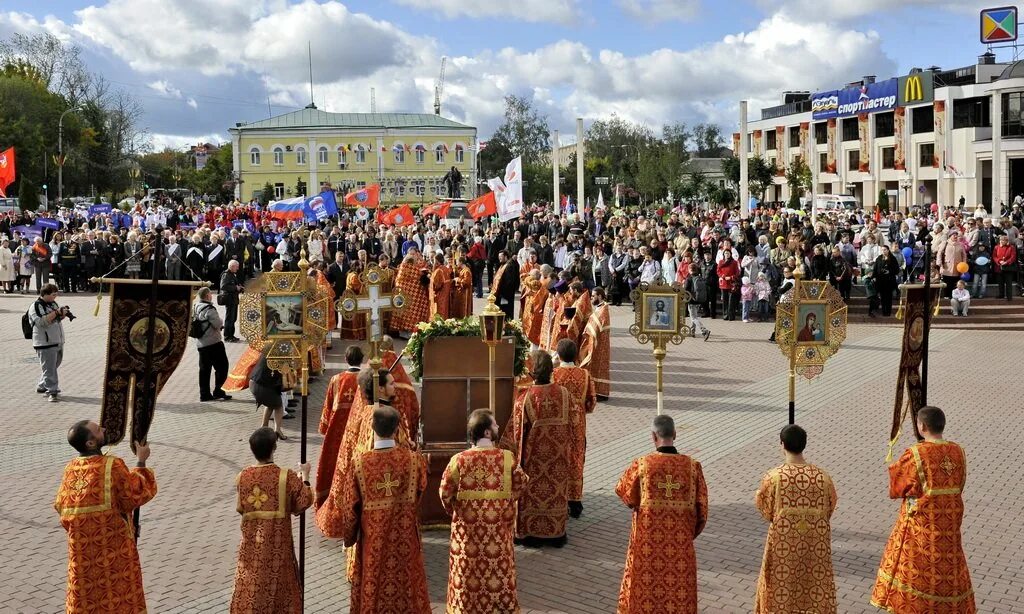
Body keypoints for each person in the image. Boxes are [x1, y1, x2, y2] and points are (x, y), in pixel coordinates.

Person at [871, 406, 975, 613]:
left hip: (921, 526)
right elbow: (959, 484)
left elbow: (898, 486)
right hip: (949, 528)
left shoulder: (916, 453)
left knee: (916, 569)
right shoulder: (958, 451)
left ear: (922, 426)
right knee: (948, 567)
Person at [55, 420, 156, 614]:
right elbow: (132, 496)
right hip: (114, 551)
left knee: (88, 600)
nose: (103, 429)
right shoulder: (112, 465)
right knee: (120, 597)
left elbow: (61, 507)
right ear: (91, 443)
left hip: (82, 553)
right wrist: (141, 461)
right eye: (97, 431)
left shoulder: (70, 469)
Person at [340, 404, 431, 614]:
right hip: (405, 538)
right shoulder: (413, 459)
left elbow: (349, 507)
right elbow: (421, 489)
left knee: (375, 583)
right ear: (397, 428)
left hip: (373, 541)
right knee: (407, 584)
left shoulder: (360, 463)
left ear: (372, 427)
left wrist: (349, 539)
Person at [616, 414, 707, 614]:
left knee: (645, 594)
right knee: (678, 595)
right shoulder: (693, 467)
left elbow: (624, 493)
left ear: (653, 436)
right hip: (681, 548)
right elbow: (702, 513)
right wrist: (687, 534)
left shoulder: (642, 464)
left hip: (646, 547)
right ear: (675, 434)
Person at [440, 409, 529, 614]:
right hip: (498, 537)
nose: (499, 427)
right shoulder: (507, 459)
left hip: (466, 539)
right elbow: (522, 483)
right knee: (499, 576)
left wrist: (458, 511)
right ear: (487, 433)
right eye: (495, 425)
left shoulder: (458, 461)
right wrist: (506, 504)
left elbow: (445, 493)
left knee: (466, 578)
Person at [754, 424, 837, 614]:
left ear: (782, 444)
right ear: (804, 445)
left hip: (782, 548)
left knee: (781, 589)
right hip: (815, 547)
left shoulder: (773, 477)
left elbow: (767, 512)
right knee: (814, 589)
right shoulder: (823, 478)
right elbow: (830, 508)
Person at [230, 428, 312, 614]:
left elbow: (241, 509)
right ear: (274, 448)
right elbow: (303, 501)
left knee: (252, 585)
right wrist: (305, 477)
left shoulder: (243, 477)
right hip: (278, 547)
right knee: (280, 589)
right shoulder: (285, 476)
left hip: (251, 547)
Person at [499, 351, 573, 547]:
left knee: (532, 494)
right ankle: (555, 533)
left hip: (533, 461)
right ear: (551, 370)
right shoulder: (565, 394)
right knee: (554, 493)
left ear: (533, 371)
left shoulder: (525, 398)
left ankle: (530, 533)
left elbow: (514, 434)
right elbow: (573, 426)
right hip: (559, 459)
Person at [554, 339, 597, 519]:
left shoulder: (553, 374)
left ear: (559, 355)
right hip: (578, 424)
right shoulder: (585, 375)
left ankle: (560, 497)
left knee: (559, 459)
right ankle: (575, 502)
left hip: (559, 424)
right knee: (577, 459)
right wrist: (581, 409)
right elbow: (592, 402)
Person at [315, 345, 364, 506]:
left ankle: (335, 495)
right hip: (359, 429)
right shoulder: (366, 379)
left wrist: (324, 427)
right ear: (362, 360)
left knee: (336, 462)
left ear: (345, 359)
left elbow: (328, 405)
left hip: (337, 430)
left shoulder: (336, 379)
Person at [29, 283, 68, 402]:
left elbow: (55, 319)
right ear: (45, 294)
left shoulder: (52, 303)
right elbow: (41, 322)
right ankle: (52, 391)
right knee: (49, 368)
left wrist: (62, 314)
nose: (55, 297)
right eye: (53, 295)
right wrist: (56, 313)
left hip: (57, 340)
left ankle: (42, 385)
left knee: (52, 366)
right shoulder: (36, 306)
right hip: (44, 343)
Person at [194, 286, 231, 402]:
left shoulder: (195, 307)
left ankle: (204, 394)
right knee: (222, 367)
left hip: (201, 343)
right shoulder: (209, 309)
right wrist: (221, 323)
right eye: (210, 294)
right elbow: (218, 323)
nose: (211, 296)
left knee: (204, 370)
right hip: (213, 342)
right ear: (207, 296)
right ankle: (218, 390)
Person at [579, 287, 612, 400]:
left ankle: (601, 393)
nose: (591, 298)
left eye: (593, 296)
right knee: (594, 367)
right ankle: (595, 391)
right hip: (596, 342)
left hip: (600, 344)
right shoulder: (599, 308)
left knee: (598, 367)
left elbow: (597, 325)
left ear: (600, 296)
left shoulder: (603, 310)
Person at [249, 348, 288, 440]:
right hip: (263, 386)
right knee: (279, 406)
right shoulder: (282, 355)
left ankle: (264, 426)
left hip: (253, 382)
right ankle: (277, 429)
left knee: (270, 403)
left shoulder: (268, 349)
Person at [392, 252, 430, 334]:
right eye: (415, 262)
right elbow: (418, 276)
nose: (416, 263)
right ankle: (410, 330)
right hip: (412, 296)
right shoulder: (412, 270)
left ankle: (401, 330)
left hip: (403, 294)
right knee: (411, 313)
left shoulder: (402, 268)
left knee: (403, 312)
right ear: (411, 262)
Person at [492, 249, 520, 320]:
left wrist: (502, 294)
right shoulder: (503, 265)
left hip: (505, 295)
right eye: (499, 257)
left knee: (506, 312)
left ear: (506, 256)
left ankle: (507, 327)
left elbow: (509, 282)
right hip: (501, 294)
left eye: (501, 256)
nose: (499, 258)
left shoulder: (509, 266)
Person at [220, 259, 243, 342]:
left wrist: (239, 288)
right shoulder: (226, 275)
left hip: (234, 300)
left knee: (233, 319)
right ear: (232, 266)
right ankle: (227, 336)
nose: (238, 268)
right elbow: (223, 286)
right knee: (229, 319)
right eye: (237, 267)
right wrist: (235, 288)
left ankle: (231, 335)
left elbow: (234, 285)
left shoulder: (233, 274)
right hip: (229, 300)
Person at [993, 234, 1017, 301]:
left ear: (1006, 241)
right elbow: (994, 256)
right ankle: (1001, 294)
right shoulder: (996, 247)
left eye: (1003, 240)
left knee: (1008, 283)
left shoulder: (1011, 247)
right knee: (1000, 282)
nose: (1001, 241)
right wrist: (999, 261)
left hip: (1008, 267)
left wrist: (1006, 262)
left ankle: (1009, 297)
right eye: (1000, 240)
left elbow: (1013, 257)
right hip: (999, 267)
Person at [429, 252, 452, 319]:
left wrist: (430, 279)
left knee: (439, 313)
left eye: (434, 260)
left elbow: (436, 285)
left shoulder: (438, 271)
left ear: (437, 261)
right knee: (445, 311)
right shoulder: (446, 269)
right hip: (446, 294)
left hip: (440, 295)